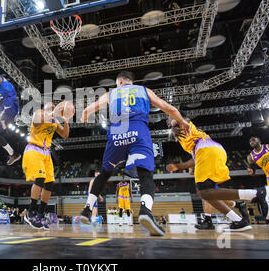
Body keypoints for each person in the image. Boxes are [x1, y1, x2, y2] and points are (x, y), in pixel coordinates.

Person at [78, 70, 190, 236]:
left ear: (120, 82)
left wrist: (84, 115)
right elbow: (167, 108)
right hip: (138, 130)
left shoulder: (111, 93)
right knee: (146, 174)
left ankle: (86, 210)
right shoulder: (144, 90)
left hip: (116, 132)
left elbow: (89, 109)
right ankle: (145, 211)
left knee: (104, 173)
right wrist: (182, 122)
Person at [166, 115, 269, 231]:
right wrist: (179, 166)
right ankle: (238, 219)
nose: (167, 119)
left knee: (205, 192)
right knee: (208, 193)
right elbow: (195, 158)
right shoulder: (189, 140)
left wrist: (174, 123)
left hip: (207, 151)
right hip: (213, 151)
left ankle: (256, 194)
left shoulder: (184, 125)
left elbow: (181, 118)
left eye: (168, 117)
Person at [23, 102, 70, 230]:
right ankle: (30, 211)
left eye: (54, 106)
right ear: (45, 107)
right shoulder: (39, 113)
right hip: (34, 149)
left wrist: (66, 120)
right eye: (51, 105)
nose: (53, 105)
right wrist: (54, 113)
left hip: (46, 152)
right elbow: (38, 122)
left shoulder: (54, 120)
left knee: (49, 183)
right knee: (40, 178)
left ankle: (40, 213)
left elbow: (65, 135)